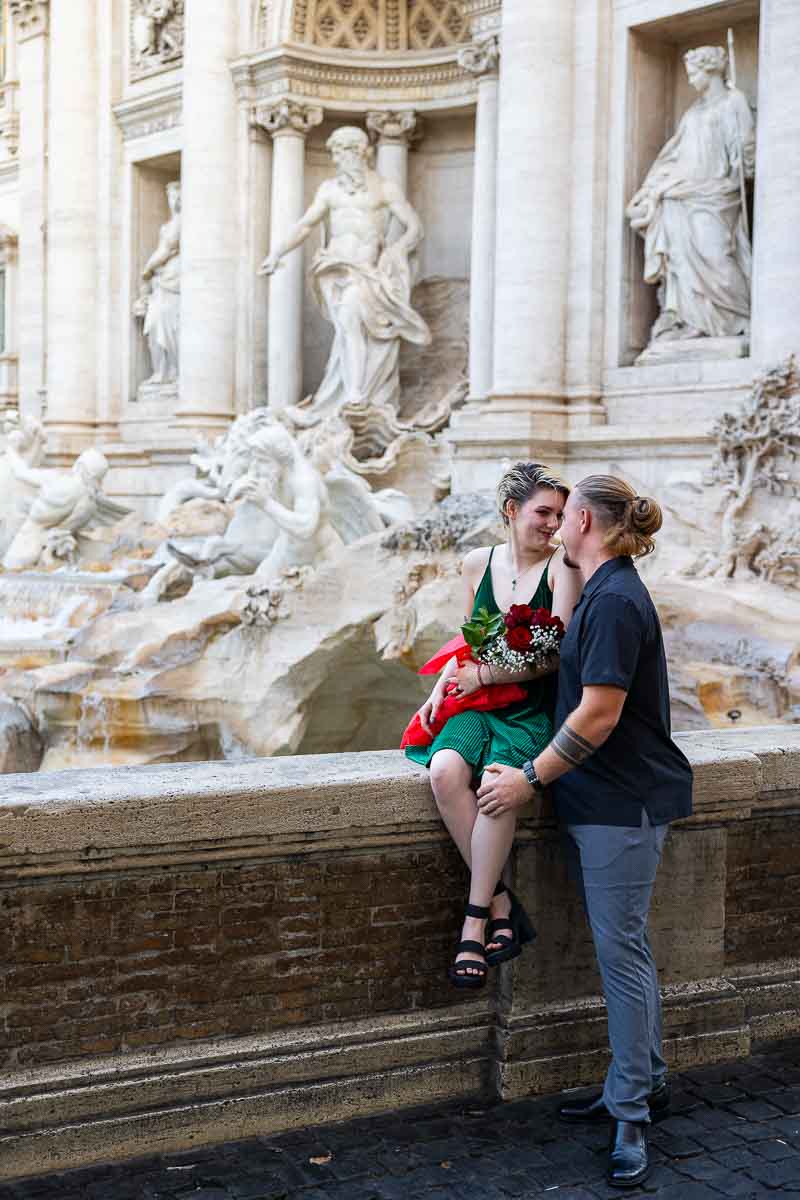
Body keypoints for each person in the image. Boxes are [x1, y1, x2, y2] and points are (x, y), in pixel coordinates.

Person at [475, 475, 692, 1189]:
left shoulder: (618, 601)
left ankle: (630, 1112)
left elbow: (598, 715)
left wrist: (527, 778)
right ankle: (645, 1080)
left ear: (588, 524)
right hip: (607, 800)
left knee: (622, 956)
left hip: (621, 803)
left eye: (565, 516)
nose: (556, 525)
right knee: (628, 950)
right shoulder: (604, 588)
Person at [405, 463, 583, 988]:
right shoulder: (475, 563)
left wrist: (485, 673)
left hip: (532, 710)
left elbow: (560, 656)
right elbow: (468, 640)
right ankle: (504, 901)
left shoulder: (561, 570)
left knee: (494, 787)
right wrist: (442, 686)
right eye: (543, 513)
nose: (553, 524)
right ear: (512, 510)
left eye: (559, 515)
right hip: (478, 705)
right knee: (442, 771)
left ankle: (476, 918)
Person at [258, 125, 430, 418]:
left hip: (365, 269)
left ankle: (357, 392)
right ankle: (351, 390)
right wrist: (277, 253)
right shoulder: (329, 190)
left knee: (353, 317)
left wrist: (398, 248)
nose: (336, 160)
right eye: (335, 154)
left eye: (340, 153)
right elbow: (304, 225)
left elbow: (415, 226)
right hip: (333, 269)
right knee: (347, 328)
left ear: (358, 152)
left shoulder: (383, 188)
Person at [627, 45, 755, 345]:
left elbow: (746, 146)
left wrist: (744, 161)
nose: (690, 80)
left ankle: (739, 316)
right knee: (681, 258)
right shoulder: (692, 113)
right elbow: (674, 155)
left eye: (694, 73)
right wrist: (653, 188)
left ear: (711, 71)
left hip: (718, 192)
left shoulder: (733, 101)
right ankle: (693, 318)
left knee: (715, 254)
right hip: (684, 192)